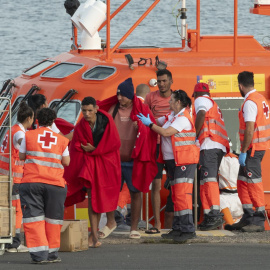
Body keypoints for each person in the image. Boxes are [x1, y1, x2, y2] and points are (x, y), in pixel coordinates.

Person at [98, 77, 157, 239]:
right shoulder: (113, 109)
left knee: (135, 192)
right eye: (117, 95)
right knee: (109, 192)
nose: (119, 98)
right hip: (114, 160)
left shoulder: (141, 110)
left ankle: (133, 228)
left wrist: (143, 128)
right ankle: (111, 222)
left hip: (133, 160)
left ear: (130, 96)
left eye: (122, 95)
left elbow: (152, 130)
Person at [138, 90, 199, 243]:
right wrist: (146, 117)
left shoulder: (183, 118)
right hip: (174, 161)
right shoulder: (172, 116)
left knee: (182, 196)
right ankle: (178, 228)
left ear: (178, 102)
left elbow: (165, 132)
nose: (169, 102)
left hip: (183, 161)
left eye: (171, 100)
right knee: (176, 196)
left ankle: (187, 229)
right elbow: (158, 121)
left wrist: (149, 124)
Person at [64, 97, 121, 247]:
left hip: (106, 162)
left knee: (101, 196)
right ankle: (94, 236)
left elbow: (114, 143)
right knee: (92, 198)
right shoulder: (81, 125)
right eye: (84, 111)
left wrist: (94, 150)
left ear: (96, 109)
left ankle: (102, 228)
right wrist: (88, 150)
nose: (87, 114)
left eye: (90, 110)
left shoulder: (107, 120)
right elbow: (76, 145)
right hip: (90, 164)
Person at [19, 108, 70, 264]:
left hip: (32, 183)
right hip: (55, 184)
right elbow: (66, 162)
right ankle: (52, 254)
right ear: (53, 121)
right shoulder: (61, 140)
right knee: (53, 219)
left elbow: (21, 156)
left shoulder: (28, 135)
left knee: (34, 218)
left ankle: (39, 255)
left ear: (37, 121)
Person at [226, 71, 270, 232]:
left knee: (253, 182)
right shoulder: (260, 98)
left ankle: (258, 220)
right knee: (243, 181)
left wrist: (243, 151)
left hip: (252, 149)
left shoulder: (250, 102)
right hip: (257, 147)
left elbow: (250, 129)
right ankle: (248, 215)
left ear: (240, 86)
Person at [193, 82, 230, 231]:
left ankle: (214, 213)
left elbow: (201, 114)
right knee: (205, 181)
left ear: (195, 94)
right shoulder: (212, 102)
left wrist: (193, 136)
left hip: (210, 144)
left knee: (209, 180)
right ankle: (208, 215)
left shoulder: (200, 100)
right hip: (215, 145)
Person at [0, 102, 34, 252]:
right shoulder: (20, 133)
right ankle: (14, 243)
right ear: (28, 118)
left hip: (6, 176)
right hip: (15, 179)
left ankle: (8, 239)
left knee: (8, 209)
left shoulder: (11, 130)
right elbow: (22, 143)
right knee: (17, 210)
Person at [144, 69, 174, 232]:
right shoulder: (150, 97)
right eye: (159, 81)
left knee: (177, 185)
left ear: (171, 81)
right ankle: (157, 224)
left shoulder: (177, 97)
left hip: (172, 147)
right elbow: (143, 117)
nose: (161, 84)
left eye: (164, 81)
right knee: (156, 185)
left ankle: (178, 222)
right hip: (155, 145)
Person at [218, 152, 243, 226]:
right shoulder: (239, 159)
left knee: (216, 201)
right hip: (241, 198)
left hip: (224, 199)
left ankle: (230, 224)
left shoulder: (219, 160)